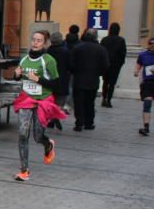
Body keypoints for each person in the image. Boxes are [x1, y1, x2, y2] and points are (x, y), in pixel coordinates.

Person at [11, 30, 65, 181]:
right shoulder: (24, 60)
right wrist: (16, 75)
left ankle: (48, 144)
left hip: (43, 101)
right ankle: (24, 170)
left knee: (37, 136)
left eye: (39, 40)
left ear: (45, 43)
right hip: (26, 100)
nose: (35, 42)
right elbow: (17, 77)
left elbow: (57, 83)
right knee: (22, 134)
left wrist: (38, 79)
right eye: (33, 39)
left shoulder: (48, 60)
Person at [69, 29, 109, 131]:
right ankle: (89, 123)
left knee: (79, 103)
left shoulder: (77, 48)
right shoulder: (101, 49)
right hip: (93, 80)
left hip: (79, 80)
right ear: (95, 37)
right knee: (90, 103)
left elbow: (71, 64)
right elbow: (105, 66)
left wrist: (75, 72)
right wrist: (98, 73)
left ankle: (79, 123)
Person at [45, 31, 70, 130]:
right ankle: (55, 117)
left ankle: (52, 118)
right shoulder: (66, 52)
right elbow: (70, 65)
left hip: (49, 79)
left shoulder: (47, 52)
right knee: (60, 101)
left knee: (50, 100)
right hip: (62, 79)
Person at [100, 22, 127, 107]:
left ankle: (104, 98)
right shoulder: (121, 40)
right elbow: (123, 53)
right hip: (115, 65)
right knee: (112, 83)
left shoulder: (105, 39)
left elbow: (101, 51)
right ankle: (109, 100)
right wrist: (121, 63)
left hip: (105, 64)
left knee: (105, 82)